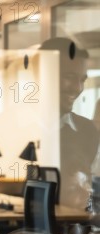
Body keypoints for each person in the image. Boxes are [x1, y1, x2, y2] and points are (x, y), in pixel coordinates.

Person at [39, 37, 99, 210]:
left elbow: (91, 194)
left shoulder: (88, 131)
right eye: (69, 77)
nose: (77, 88)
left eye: (82, 79)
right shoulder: (5, 127)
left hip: (72, 233)